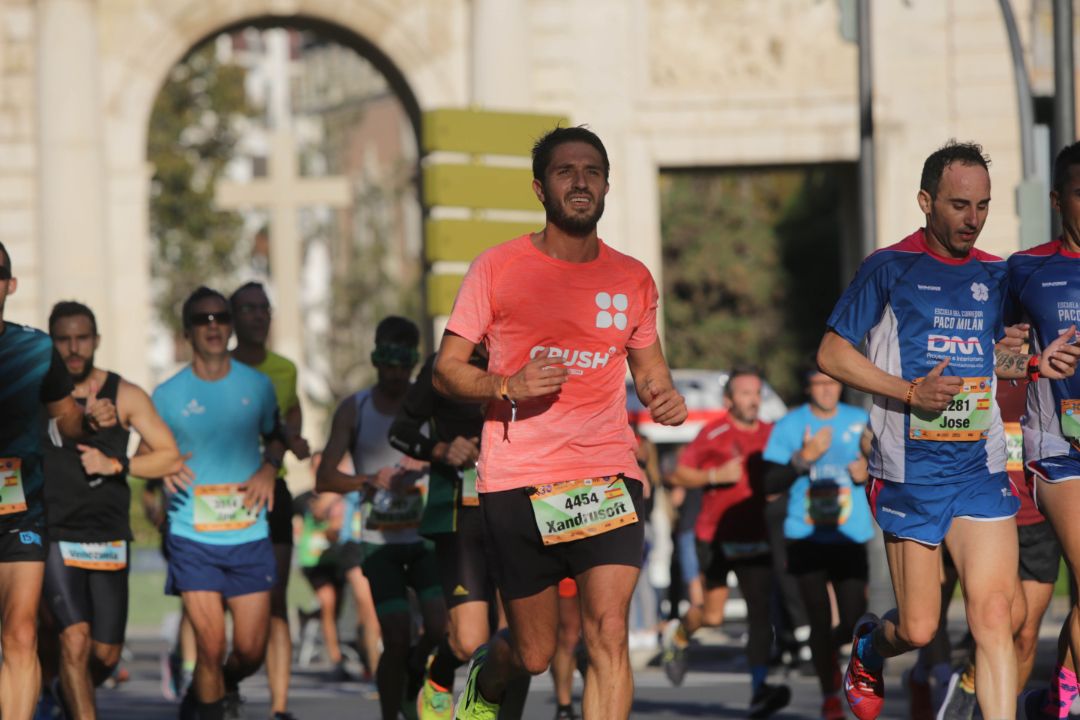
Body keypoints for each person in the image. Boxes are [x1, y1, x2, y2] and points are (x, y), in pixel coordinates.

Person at [817, 140, 1080, 720]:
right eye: (960, 205)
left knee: (996, 618)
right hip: (910, 472)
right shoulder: (887, 268)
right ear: (926, 201)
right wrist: (909, 392)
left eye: (982, 205)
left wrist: (1037, 364)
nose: (973, 219)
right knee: (916, 626)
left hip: (980, 470)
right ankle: (869, 644)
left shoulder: (995, 272)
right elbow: (832, 354)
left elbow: (998, 361)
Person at [433, 125, 687, 720]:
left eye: (592, 171)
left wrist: (662, 397)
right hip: (518, 480)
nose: (581, 182)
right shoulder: (497, 268)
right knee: (535, 653)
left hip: (605, 474)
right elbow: (446, 372)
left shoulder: (632, 279)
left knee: (607, 634)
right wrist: (505, 384)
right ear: (539, 189)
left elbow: (650, 371)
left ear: (606, 186)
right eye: (565, 172)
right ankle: (483, 684)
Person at [39, 300, 181, 719]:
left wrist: (118, 464)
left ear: (96, 340)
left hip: (108, 535)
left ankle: (58, 689)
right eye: (63, 340)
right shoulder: (37, 392)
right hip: (53, 532)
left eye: (82, 338)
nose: (73, 348)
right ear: (51, 343)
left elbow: (170, 456)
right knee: (75, 638)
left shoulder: (125, 394)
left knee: (104, 653)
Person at [152, 286, 284, 720]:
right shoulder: (168, 395)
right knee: (211, 646)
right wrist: (160, 468)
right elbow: (143, 458)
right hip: (192, 534)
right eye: (203, 320)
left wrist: (269, 468)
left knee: (248, 651)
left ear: (231, 326)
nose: (214, 326)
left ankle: (210, 693)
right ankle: (210, 706)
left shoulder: (258, 386)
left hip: (248, 533)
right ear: (187, 331)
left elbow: (278, 436)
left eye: (221, 318)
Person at [0, 242, 118, 720]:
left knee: (21, 632)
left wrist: (87, 424)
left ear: (10, 284)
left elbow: (64, 418)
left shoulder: (34, 349)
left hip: (17, 506)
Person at [317, 316, 447, 720]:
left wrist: (430, 455)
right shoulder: (354, 409)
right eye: (387, 365)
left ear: (412, 364)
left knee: (442, 631)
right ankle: (391, 713)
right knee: (393, 637)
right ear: (375, 360)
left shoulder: (429, 404)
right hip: (378, 544)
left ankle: (416, 668)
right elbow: (325, 476)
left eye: (402, 365)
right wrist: (366, 480)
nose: (394, 374)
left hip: (425, 537)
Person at [662, 367, 788, 716]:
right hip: (715, 536)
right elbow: (678, 472)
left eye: (756, 393)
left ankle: (759, 688)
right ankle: (679, 634)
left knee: (761, 615)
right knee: (714, 616)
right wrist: (716, 475)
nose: (753, 400)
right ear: (729, 400)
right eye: (745, 393)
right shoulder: (713, 432)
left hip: (756, 535)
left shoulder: (771, 433)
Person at [1007, 139, 1080, 719]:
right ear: (1058, 200)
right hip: (1058, 448)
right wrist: (1032, 363)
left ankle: (1051, 701)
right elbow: (989, 358)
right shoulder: (1026, 270)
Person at [761, 364, 873, 719]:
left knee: (854, 620)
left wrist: (869, 469)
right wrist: (803, 458)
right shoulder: (791, 425)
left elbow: (895, 464)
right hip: (804, 535)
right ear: (808, 387)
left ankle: (837, 657)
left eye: (833, 383)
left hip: (851, 534)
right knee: (818, 619)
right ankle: (829, 697)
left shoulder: (861, 420)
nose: (826, 390)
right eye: (819, 384)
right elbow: (768, 483)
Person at [229, 281, 311, 720]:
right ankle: (222, 678)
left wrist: (293, 440)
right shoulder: (221, 368)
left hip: (272, 491)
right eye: (248, 308)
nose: (258, 316)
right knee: (229, 599)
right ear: (232, 318)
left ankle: (279, 706)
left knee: (276, 597)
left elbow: (289, 414)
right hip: (224, 493)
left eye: (264, 309)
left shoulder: (285, 369)